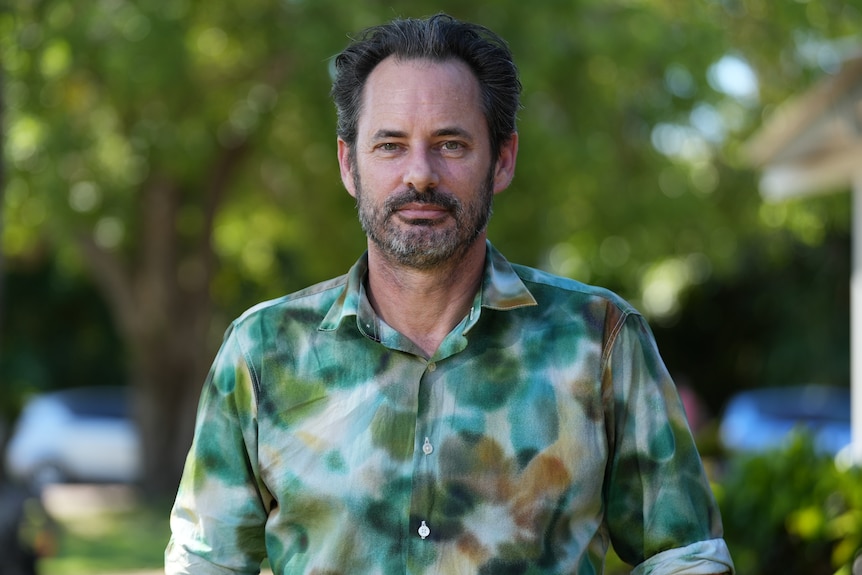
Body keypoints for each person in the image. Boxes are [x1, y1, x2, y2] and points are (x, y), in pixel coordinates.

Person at [165, 13, 735, 575]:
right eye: (390, 145)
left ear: (502, 160)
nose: (420, 174)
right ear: (348, 164)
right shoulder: (262, 351)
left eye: (451, 144)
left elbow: (684, 558)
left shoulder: (598, 339)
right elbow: (203, 563)